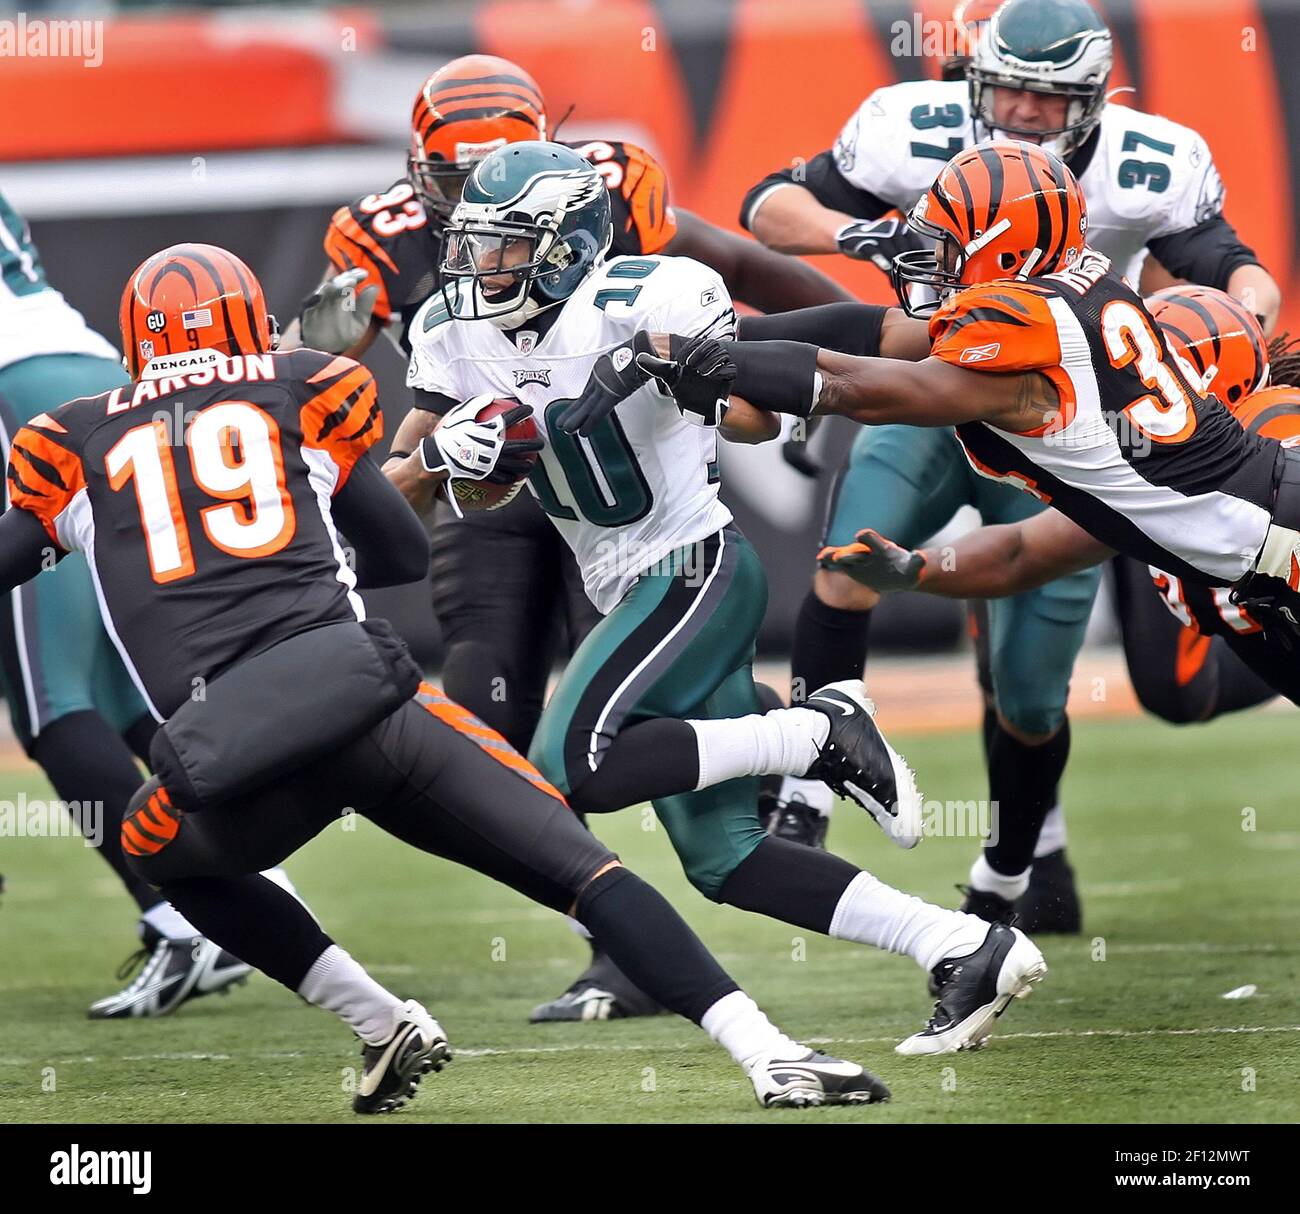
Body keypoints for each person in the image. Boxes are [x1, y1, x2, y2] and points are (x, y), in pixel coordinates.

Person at [0, 240, 900, 1112]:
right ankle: (771, 1053)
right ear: (248, 324)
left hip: (227, 754)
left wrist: (73, 536)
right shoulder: (302, 386)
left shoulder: (70, 442)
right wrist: (428, 463)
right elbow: (392, 553)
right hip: (367, 707)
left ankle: (380, 1020)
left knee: (155, 847)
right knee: (581, 869)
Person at [397, 141, 1049, 1054]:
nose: (475, 267)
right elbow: (400, 490)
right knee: (726, 859)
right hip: (621, 577)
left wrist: (672, 368)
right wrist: (440, 460)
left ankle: (815, 734)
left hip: (690, 564)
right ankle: (964, 945)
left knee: (569, 765)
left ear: (566, 246)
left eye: (502, 246)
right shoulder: (448, 332)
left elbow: (754, 414)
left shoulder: (646, 297)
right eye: (470, 243)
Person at [737, 0, 1281, 936]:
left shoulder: (1145, 165)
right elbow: (768, 210)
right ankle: (812, 788)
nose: (1025, 112)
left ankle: (1018, 863)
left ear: (1095, 104)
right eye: (1011, 91)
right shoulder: (916, 129)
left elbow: (1233, 270)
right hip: (942, 379)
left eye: (1049, 96)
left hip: (1061, 421)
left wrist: (1236, 338)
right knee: (847, 553)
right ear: (975, 82)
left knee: (1032, 687)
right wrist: (859, 235)